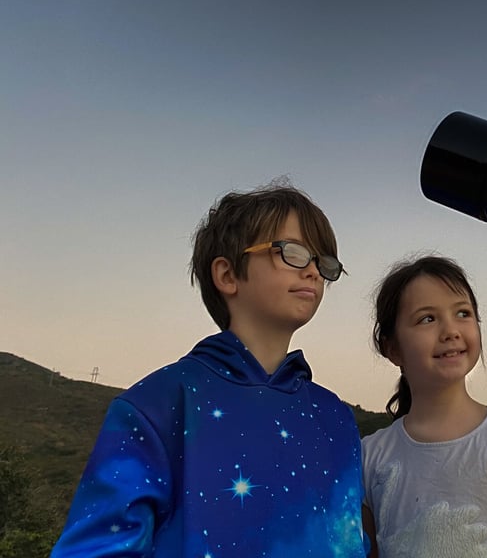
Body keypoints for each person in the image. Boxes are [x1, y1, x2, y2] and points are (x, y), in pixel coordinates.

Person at [51, 185, 372, 558]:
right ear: (227, 274)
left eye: (324, 262)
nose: (314, 271)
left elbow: (349, 545)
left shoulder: (336, 418)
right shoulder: (159, 403)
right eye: (293, 253)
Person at [361, 254, 487, 558]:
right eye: (427, 319)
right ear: (392, 348)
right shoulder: (371, 456)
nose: (450, 331)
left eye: (463, 314)